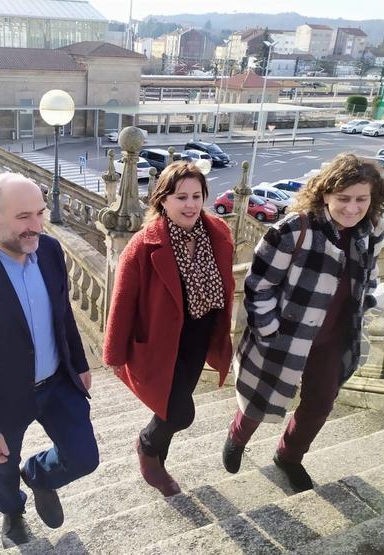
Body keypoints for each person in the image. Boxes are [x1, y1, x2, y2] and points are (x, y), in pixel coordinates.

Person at [0, 173, 99, 547]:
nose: (37, 226)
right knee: (2, 466)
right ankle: (12, 512)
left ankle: (39, 475)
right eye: (25, 217)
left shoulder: (51, 252)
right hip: (3, 396)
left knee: (84, 457)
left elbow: (63, 313)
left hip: (57, 382)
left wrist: (78, 361)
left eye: (40, 214)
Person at [222, 153, 384, 492]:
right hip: (285, 336)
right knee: (260, 397)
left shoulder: (369, 231)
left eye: (361, 199)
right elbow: (258, 285)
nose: (352, 208)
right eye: (343, 198)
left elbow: (369, 275)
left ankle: (289, 455)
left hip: (333, 338)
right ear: (325, 193)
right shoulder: (295, 229)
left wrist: (367, 300)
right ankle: (237, 437)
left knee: (320, 404)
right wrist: (270, 331)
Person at [103, 162, 235, 497]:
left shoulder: (216, 231)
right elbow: (122, 300)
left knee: (172, 406)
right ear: (163, 200)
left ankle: (160, 460)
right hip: (162, 342)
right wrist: (115, 353)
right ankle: (148, 447)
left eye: (197, 196)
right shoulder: (144, 244)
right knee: (179, 412)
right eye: (181, 197)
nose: (191, 204)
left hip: (199, 337)